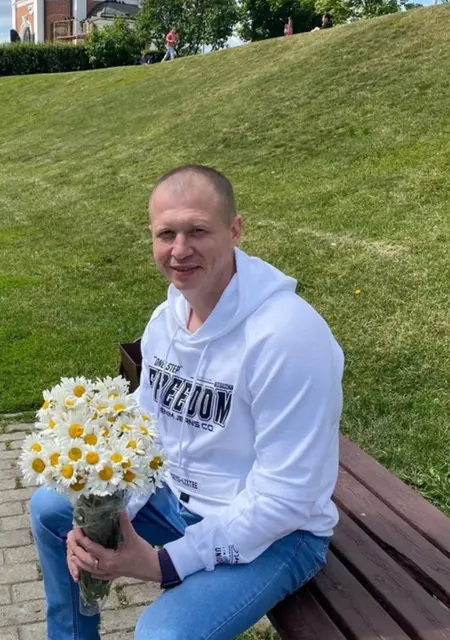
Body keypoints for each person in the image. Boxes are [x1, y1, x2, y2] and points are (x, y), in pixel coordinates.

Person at [30, 165, 344, 640]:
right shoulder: (167, 319)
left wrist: (162, 563)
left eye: (197, 230)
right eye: (166, 234)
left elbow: (286, 498)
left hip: (279, 532)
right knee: (51, 508)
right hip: (175, 499)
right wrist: (114, 511)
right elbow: (147, 429)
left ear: (234, 230)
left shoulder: (286, 336)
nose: (179, 250)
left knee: (162, 634)